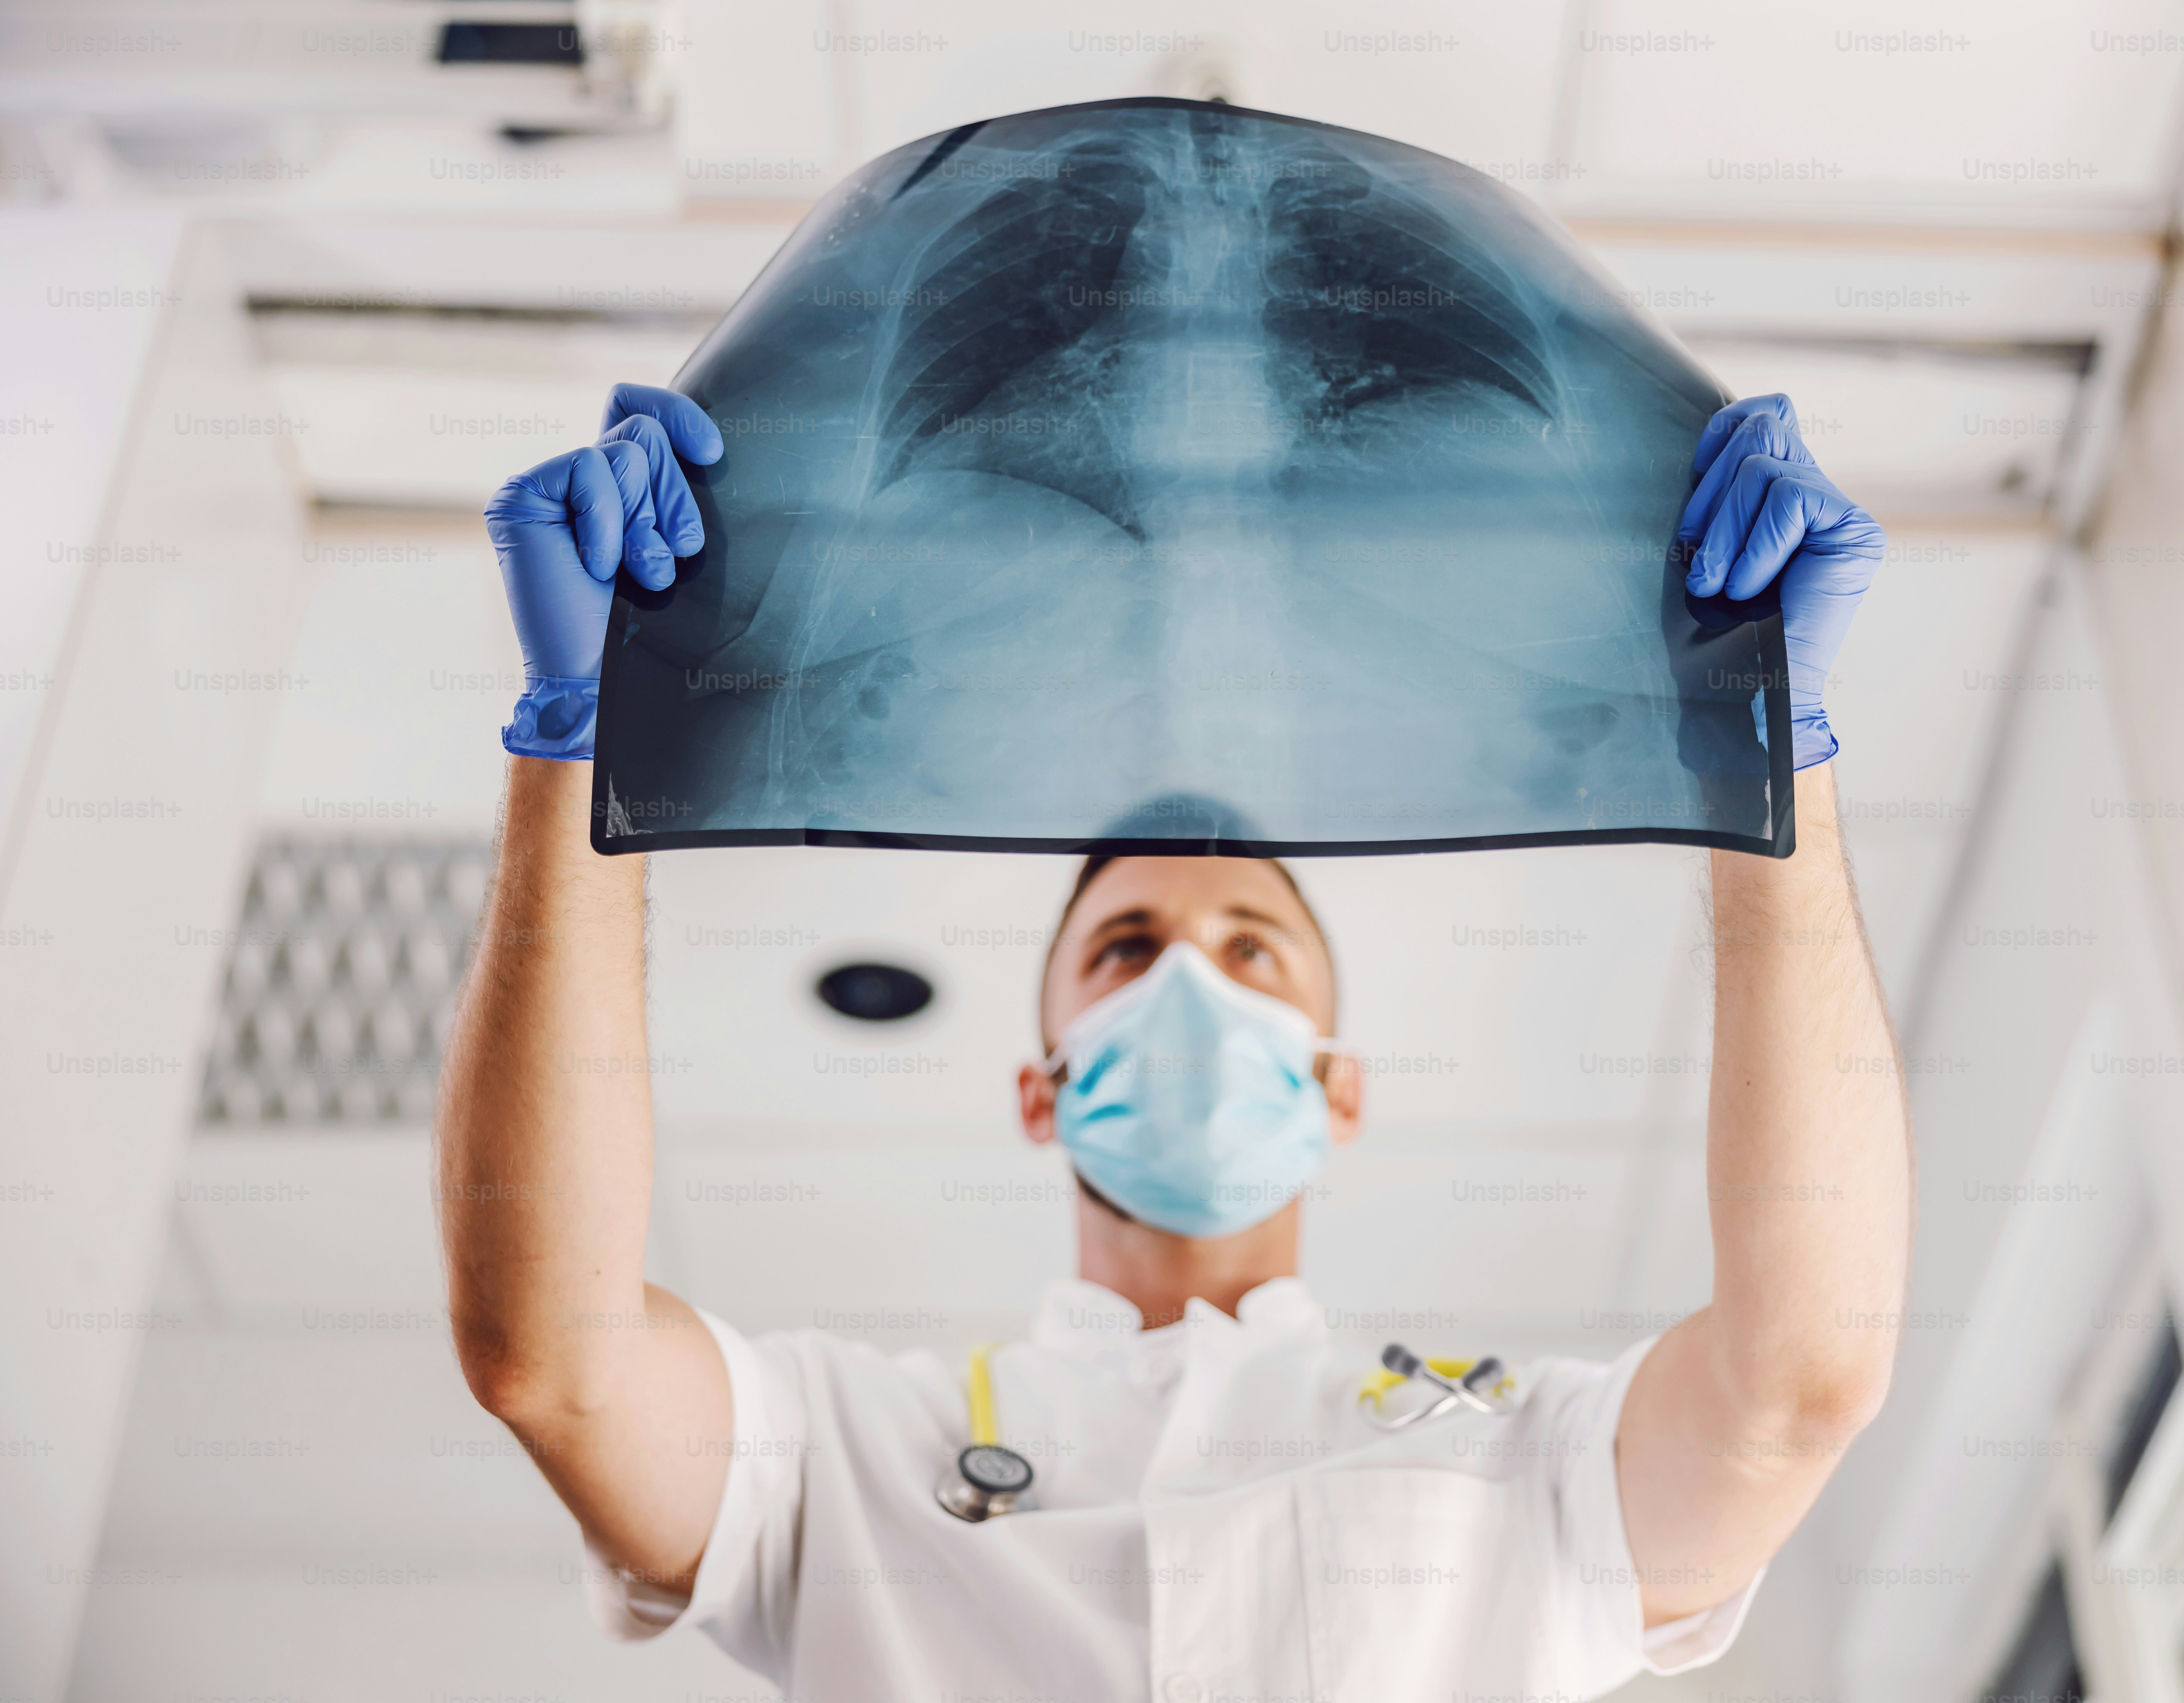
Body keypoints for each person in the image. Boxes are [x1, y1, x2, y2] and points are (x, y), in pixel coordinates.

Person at [440, 383, 1908, 1701]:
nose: (1191, 982)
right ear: (1042, 1089)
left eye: (1254, 951)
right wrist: (577, 751)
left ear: (1340, 1091)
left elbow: (1803, 1380)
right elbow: (549, 1359)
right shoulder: (842, 1455)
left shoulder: (1520, 1458)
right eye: (1128, 950)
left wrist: (1770, 757)